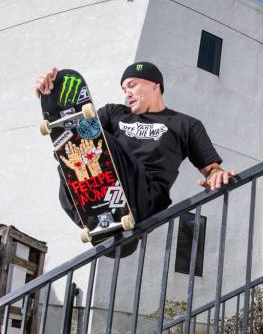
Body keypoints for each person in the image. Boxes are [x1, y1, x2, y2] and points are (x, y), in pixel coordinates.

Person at [34, 62, 236, 229]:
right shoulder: (115, 113)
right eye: (124, 89)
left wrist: (216, 175)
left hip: (145, 198)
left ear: (155, 85)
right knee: (71, 156)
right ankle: (92, 213)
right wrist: (52, 98)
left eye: (132, 85)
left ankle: (108, 201)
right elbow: (82, 137)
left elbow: (211, 169)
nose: (127, 93)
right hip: (104, 190)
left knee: (102, 140)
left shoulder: (185, 124)